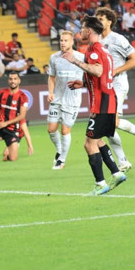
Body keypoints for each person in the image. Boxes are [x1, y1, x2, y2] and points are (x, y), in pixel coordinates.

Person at [63, 15, 127, 195]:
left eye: (83, 28)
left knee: (88, 144)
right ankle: (116, 173)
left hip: (101, 104)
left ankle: (100, 184)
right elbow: (104, 76)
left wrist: (75, 61)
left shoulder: (93, 50)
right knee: (97, 140)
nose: (80, 31)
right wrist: (83, 83)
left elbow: (98, 71)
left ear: (89, 31)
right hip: (109, 101)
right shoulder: (104, 50)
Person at [96, 7, 135, 172]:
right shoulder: (97, 40)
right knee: (108, 127)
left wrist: (115, 71)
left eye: (101, 19)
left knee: (111, 122)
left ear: (109, 22)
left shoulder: (118, 39)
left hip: (118, 84)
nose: (98, 21)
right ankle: (123, 162)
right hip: (104, 86)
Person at [46, 31, 85, 169]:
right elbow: (51, 77)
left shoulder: (81, 57)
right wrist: (50, 92)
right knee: (51, 129)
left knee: (64, 131)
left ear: (72, 42)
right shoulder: (54, 57)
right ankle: (59, 149)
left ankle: (61, 160)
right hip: (57, 97)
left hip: (72, 100)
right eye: (61, 40)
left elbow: (90, 74)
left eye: (66, 40)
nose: (62, 43)